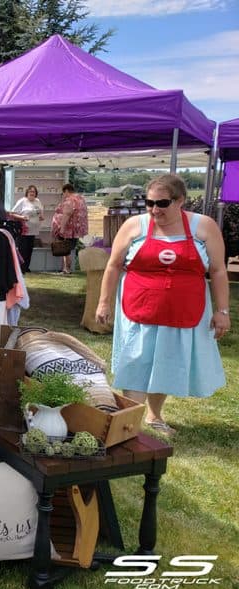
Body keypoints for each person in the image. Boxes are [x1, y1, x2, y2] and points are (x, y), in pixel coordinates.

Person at [95, 174, 229, 436]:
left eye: (162, 203)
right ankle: (130, 420)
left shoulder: (204, 226)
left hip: (184, 308)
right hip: (138, 306)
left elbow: (218, 270)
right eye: (149, 203)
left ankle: (155, 415)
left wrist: (222, 311)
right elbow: (113, 265)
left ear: (181, 201)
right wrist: (103, 302)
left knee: (166, 361)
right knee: (135, 360)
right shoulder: (135, 225)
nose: (155, 209)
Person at [51, 183, 88, 274]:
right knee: (68, 249)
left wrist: (62, 228)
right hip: (76, 229)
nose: (63, 195)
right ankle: (65, 268)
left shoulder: (70, 200)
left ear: (66, 191)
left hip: (68, 230)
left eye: (63, 193)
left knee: (65, 249)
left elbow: (67, 214)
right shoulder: (81, 199)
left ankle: (67, 268)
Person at [12, 185, 44, 272]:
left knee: (29, 250)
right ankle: (20, 269)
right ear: (27, 192)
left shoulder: (38, 201)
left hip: (34, 230)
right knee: (23, 250)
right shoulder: (22, 201)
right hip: (24, 230)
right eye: (30, 191)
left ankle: (26, 267)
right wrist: (22, 218)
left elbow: (40, 212)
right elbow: (12, 213)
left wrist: (41, 216)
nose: (32, 193)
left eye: (34, 192)